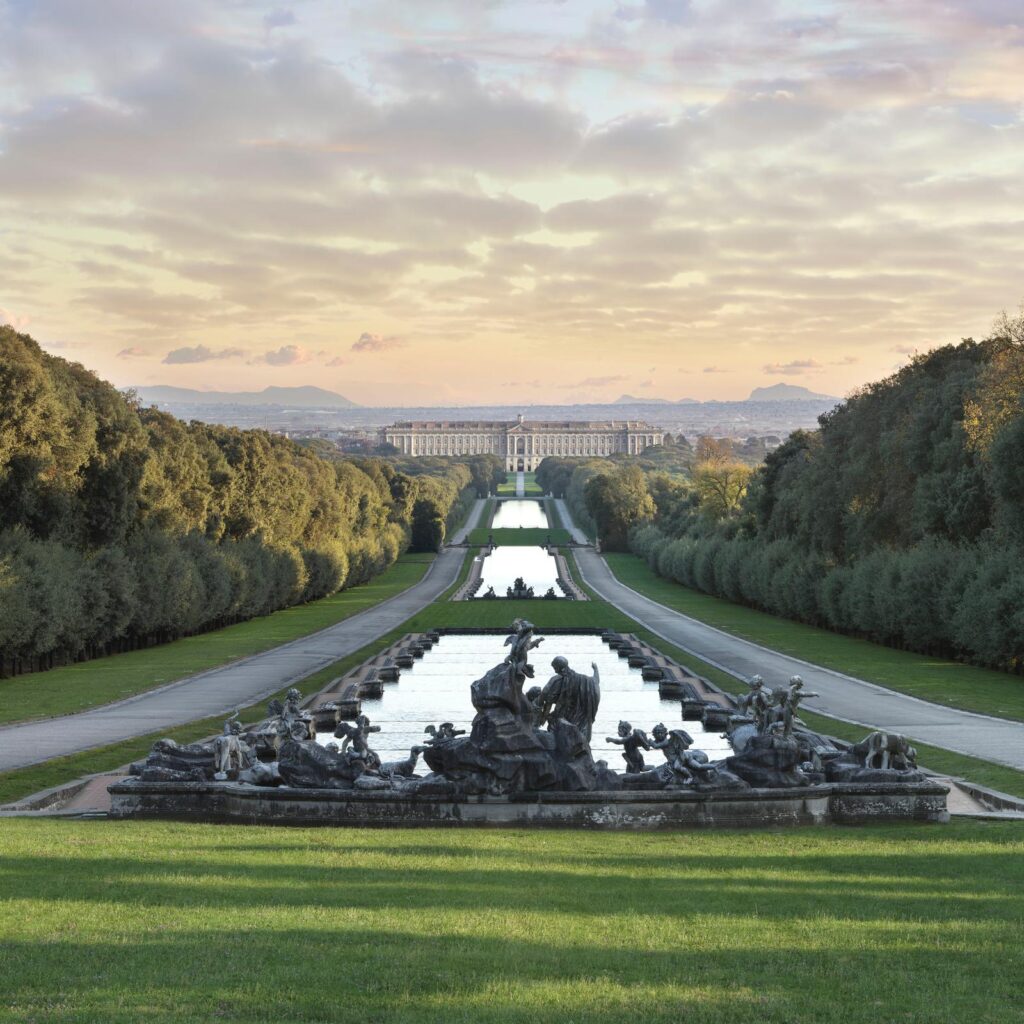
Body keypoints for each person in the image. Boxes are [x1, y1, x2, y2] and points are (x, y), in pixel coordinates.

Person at [538, 656, 600, 741]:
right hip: (581, 718)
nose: (555, 671)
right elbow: (595, 681)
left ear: (559, 668)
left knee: (554, 726)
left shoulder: (557, 681)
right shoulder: (584, 680)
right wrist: (595, 669)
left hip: (565, 716)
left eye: (555, 668)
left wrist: (543, 718)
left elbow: (548, 702)